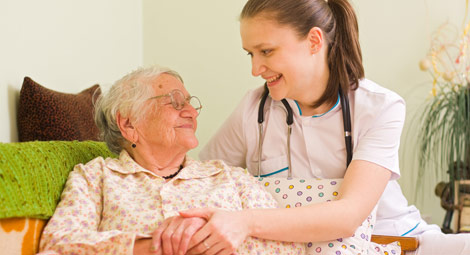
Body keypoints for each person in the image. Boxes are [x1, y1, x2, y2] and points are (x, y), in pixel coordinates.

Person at [192, 0, 470, 254]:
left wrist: (245, 222)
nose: (255, 69)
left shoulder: (380, 107)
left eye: (266, 51)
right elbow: (198, 182)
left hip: (393, 241)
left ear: (314, 41)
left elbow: (348, 216)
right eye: (250, 54)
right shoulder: (253, 111)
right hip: (299, 248)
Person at [38, 66, 305, 255]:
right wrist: (155, 246)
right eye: (176, 103)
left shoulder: (228, 176)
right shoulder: (95, 177)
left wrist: (210, 238)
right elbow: (58, 245)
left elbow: (291, 247)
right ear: (129, 123)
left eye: (190, 103)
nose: (191, 112)